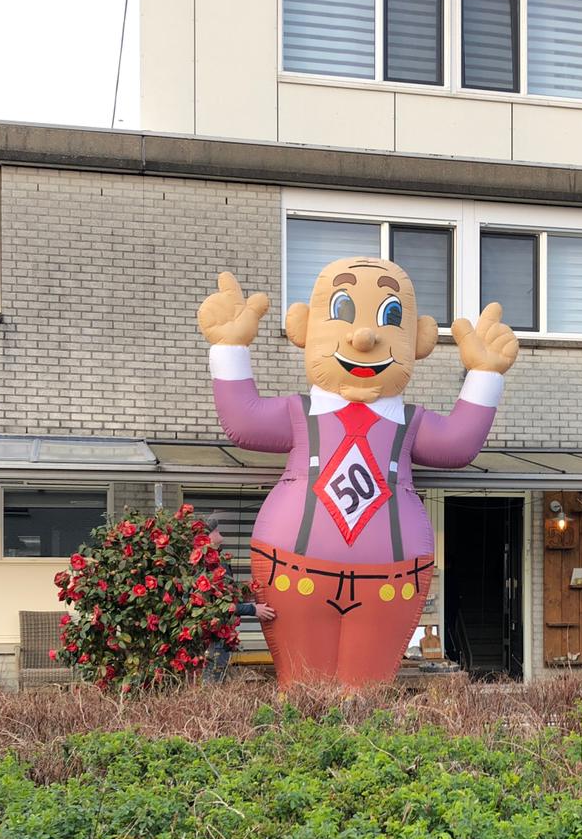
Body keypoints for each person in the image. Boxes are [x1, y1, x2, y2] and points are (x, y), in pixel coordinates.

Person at [197, 262, 518, 687]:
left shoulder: (409, 423)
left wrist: (484, 374)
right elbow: (244, 421)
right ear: (303, 327)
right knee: (302, 688)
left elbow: (458, 444)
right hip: (294, 571)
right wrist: (229, 348)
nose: (364, 337)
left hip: (388, 580)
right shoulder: (300, 414)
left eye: (390, 316)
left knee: (364, 693)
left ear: (419, 339)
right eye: (342, 310)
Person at [201, 515, 274, 682]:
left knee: (216, 675)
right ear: (206, 538)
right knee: (212, 678)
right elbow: (217, 604)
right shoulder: (209, 564)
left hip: (220, 634)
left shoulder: (216, 561)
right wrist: (253, 609)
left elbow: (226, 595)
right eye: (214, 530)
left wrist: (246, 594)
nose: (218, 532)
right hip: (215, 635)